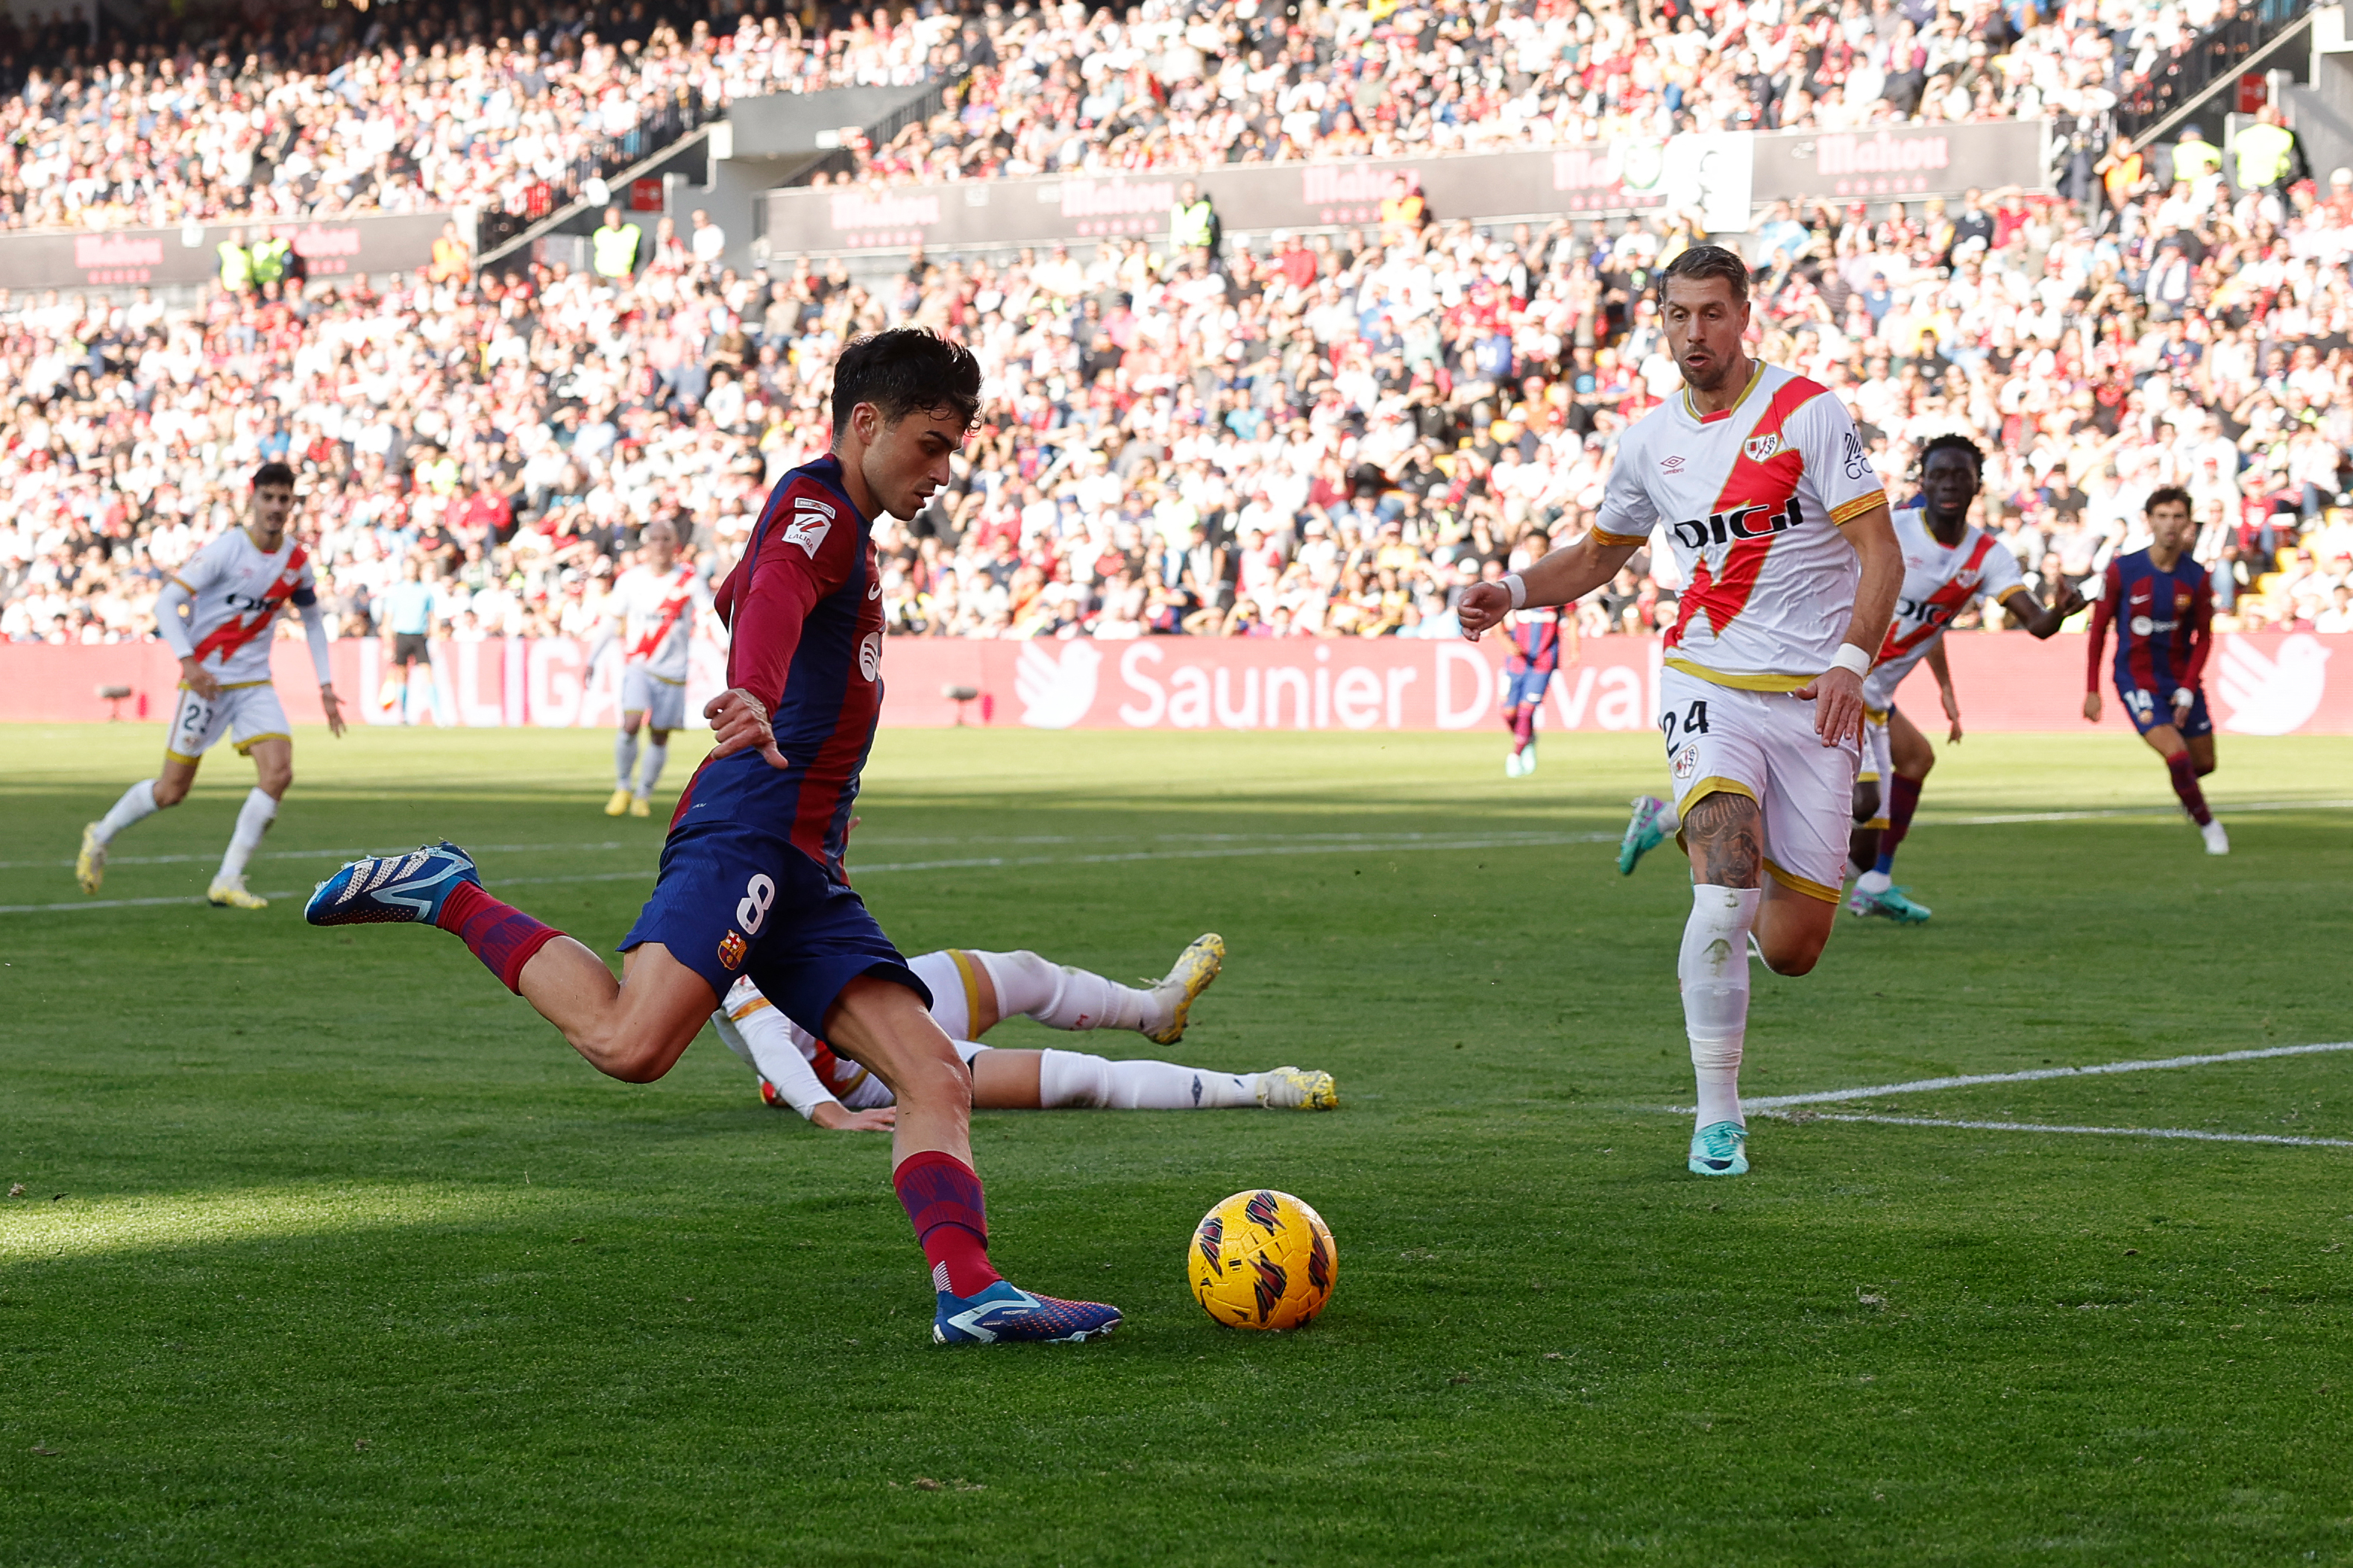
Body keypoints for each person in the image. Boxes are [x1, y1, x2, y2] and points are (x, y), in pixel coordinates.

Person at [304, 330, 1123, 1345]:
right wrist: (757, 689)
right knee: (629, 1043)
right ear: (865, 424)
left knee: (932, 1070)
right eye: (929, 444)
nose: (942, 473)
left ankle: (974, 1292)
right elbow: (774, 584)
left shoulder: (843, 528)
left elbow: (752, 587)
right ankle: (449, 890)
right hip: (747, 833)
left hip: (804, 864)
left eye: (954, 449)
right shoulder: (820, 504)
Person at [1463, 244, 1902, 1180]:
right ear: (1656, 320)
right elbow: (1595, 555)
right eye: (1677, 315)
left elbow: (1880, 551)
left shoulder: (1806, 414)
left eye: (1711, 313)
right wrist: (1510, 588)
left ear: (1745, 314)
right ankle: (1718, 1120)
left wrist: (1849, 664)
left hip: (1814, 704)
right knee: (1722, 895)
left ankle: (1674, 822)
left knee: (1791, 949)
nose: (1694, 332)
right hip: (1705, 684)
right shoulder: (1646, 441)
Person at [78, 462, 348, 907]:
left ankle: (227, 878)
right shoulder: (226, 550)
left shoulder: (297, 562)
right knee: (171, 791)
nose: (277, 507)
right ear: (253, 499)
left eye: (285, 499)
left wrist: (324, 684)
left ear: (293, 503)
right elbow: (168, 601)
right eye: (269, 497)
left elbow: (314, 620)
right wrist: (188, 663)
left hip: (255, 683)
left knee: (279, 773)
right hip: (207, 684)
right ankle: (101, 833)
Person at [715, 935, 1338, 1127]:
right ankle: (1259, 1086)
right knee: (1077, 1079)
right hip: (868, 1057)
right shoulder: (723, 928)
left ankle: (1157, 1009)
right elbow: (767, 1035)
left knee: (1026, 972)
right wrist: (827, 1111)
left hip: (883, 987)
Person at [1844, 433, 2086, 922]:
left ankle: (1873, 882)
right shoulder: (1892, 529)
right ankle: (1753, 840)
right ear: (1922, 481)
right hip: (1842, 678)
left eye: (1960, 475)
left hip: (1878, 695)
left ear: (1978, 484)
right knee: (1865, 799)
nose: (1948, 484)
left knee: (1913, 764)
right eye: (1938, 474)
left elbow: (2030, 625)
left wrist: (2059, 612)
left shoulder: (1987, 557)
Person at [2084, 486, 2226, 854]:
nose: (2170, 525)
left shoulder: (2196, 577)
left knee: (2203, 762)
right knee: (2176, 753)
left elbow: (2205, 638)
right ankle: (2210, 827)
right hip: (2136, 678)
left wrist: (2189, 687)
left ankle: (2186, 793)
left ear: (2188, 524)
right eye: (2162, 516)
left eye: (2178, 517)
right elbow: (2098, 630)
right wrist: (2092, 689)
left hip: (2180, 677)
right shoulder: (2123, 570)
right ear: (2148, 521)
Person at [586, 516, 704, 816]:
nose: (661, 545)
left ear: (676, 545)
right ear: (646, 545)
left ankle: (643, 794)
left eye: (667, 539)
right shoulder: (630, 580)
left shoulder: (689, 580)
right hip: (639, 665)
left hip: (674, 670)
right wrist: (592, 658)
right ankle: (623, 786)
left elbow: (710, 614)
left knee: (659, 735)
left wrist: (733, 649)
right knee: (630, 723)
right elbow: (612, 620)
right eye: (656, 539)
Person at [1501, 599, 1576, 777]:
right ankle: (1528, 739)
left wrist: (1575, 649)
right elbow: (1496, 616)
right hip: (1516, 663)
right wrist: (1504, 641)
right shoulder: (1518, 587)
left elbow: (1572, 617)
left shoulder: (1559, 592)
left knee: (1526, 712)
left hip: (1543, 663)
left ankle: (1515, 756)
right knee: (1508, 713)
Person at [375, 557, 436, 723]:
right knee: (402, 675)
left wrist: (435, 638)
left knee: (428, 674)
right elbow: (387, 619)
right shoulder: (396, 591)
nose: (411, 570)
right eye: (408, 567)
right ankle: (403, 715)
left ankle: (438, 716)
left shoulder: (424, 591)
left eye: (413, 567)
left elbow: (432, 617)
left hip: (419, 636)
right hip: (402, 635)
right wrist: (388, 644)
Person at [1169, 180, 1219, 262]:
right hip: (1180, 253)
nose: (1190, 195)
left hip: (1200, 252)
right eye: (1187, 192)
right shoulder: (1176, 208)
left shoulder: (1204, 207)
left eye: (1192, 192)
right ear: (1181, 192)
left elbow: (1213, 231)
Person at [591, 206, 641, 281]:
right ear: (605, 220)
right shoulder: (600, 234)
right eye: (611, 219)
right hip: (602, 276)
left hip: (624, 277)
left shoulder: (633, 231)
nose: (615, 222)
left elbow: (641, 254)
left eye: (616, 218)